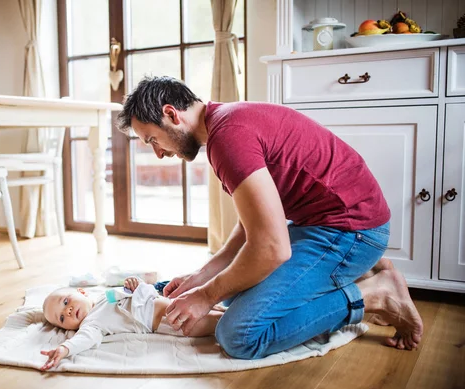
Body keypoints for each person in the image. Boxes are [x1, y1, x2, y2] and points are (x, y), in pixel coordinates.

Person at [115, 76, 423, 359]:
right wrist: (203, 276)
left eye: (151, 139)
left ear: (171, 114)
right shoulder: (225, 122)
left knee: (239, 334)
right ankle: (357, 272)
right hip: (327, 222)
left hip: (351, 229)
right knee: (232, 299)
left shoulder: (228, 139)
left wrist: (205, 296)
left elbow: (272, 248)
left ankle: (374, 294)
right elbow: (253, 224)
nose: (158, 153)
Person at [40, 276, 223, 371]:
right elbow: (84, 339)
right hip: (168, 321)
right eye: (62, 318)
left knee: (214, 307)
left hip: (168, 302)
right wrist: (65, 348)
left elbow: (141, 293)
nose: (68, 311)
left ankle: (240, 309)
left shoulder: (105, 294)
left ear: (82, 292)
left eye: (65, 302)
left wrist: (137, 284)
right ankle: (239, 322)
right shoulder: (91, 324)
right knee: (217, 322)